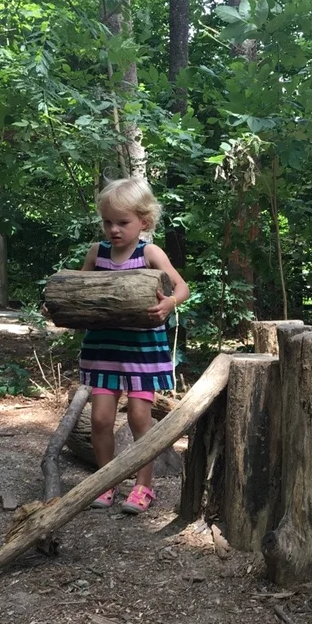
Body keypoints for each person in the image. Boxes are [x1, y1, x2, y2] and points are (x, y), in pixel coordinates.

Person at [79, 178, 189, 514]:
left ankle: (143, 486)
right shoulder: (97, 253)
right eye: (108, 222)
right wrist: (58, 303)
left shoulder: (150, 252)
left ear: (144, 221)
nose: (114, 229)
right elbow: (78, 286)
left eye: (123, 222)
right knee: (99, 419)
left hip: (142, 351)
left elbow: (181, 287)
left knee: (141, 417)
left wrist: (169, 303)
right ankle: (106, 480)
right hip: (104, 349)